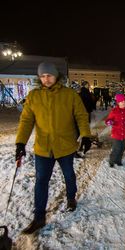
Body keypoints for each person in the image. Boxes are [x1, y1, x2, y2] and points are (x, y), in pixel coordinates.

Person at [15, 62, 92, 234]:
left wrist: (86, 135)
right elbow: (26, 121)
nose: (46, 79)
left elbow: (81, 115)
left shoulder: (69, 94)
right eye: (42, 76)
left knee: (69, 175)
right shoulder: (33, 96)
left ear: (56, 76)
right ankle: (39, 217)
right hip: (43, 148)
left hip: (65, 146)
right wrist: (20, 142)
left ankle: (71, 197)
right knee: (41, 181)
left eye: (49, 75)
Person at [105, 94, 125, 167]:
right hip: (116, 134)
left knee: (122, 149)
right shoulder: (114, 111)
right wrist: (109, 122)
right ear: (118, 102)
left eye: (124, 101)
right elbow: (108, 120)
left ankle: (118, 160)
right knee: (116, 149)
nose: (123, 103)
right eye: (121, 101)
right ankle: (112, 161)